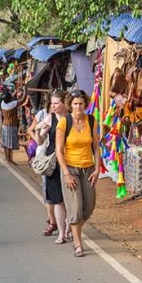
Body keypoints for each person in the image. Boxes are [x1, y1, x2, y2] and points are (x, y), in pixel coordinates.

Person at [55, 90, 100, 258]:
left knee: (88, 207)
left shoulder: (91, 121)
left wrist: (97, 169)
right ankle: (77, 243)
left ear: (85, 104)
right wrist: (66, 173)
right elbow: (59, 151)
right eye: (75, 104)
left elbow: (96, 146)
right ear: (70, 105)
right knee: (75, 208)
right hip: (71, 169)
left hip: (87, 168)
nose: (78, 107)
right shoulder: (64, 123)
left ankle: (73, 225)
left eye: (81, 103)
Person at [34, 91, 69, 244]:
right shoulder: (50, 118)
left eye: (56, 103)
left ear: (64, 103)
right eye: (52, 103)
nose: (53, 106)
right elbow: (40, 141)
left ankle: (69, 228)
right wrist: (39, 130)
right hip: (53, 162)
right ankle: (62, 232)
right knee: (57, 199)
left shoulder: (71, 118)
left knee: (70, 198)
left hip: (69, 160)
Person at [0, 90, 21, 164]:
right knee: (9, 144)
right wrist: (25, 91)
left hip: (4, 125)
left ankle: (7, 158)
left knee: (5, 143)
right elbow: (23, 99)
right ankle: (9, 159)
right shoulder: (13, 104)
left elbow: (9, 97)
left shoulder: (3, 103)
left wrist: (16, 92)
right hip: (11, 126)